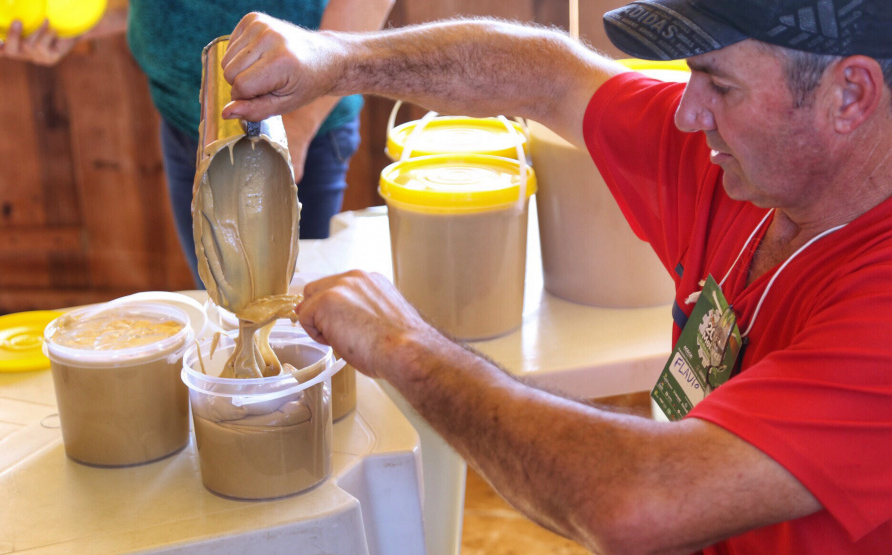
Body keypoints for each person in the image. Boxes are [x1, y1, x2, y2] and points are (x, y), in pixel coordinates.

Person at [219, 0, 892, 552]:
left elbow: (637, 502)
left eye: (719, 85)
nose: (686, 111)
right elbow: (547, 75)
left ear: (849, 94)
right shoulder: (750, 165)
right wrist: (338, 60)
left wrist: (405, 346)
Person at [0, 0, 395, 287]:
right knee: (220, 297)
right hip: (184, 121)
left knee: (293, 314)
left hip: (292, 127)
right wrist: (72, 27)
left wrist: (298, 128)